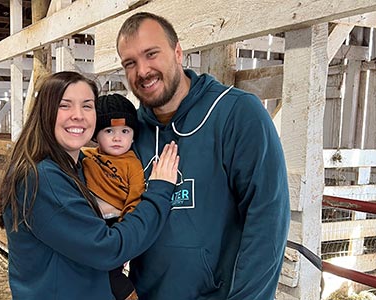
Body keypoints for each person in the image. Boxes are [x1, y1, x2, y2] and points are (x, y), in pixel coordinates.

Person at [116, 12, 291, 300]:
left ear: (177, 52)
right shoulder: (130, 134)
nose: (143, 71)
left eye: (151, 54)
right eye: (130, 63)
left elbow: (267, 221)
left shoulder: (237, 113)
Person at [0, 71, 179, 299]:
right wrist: (159, 190)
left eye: (87, 106)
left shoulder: (80, 167)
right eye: (65, 105)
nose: (78, 116)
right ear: (45, 112)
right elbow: (108, 248)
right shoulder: (42, 178)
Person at [82, 93, 144, 300]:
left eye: (125, 131)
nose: (118, 138)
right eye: (109, 131)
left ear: (133, 136)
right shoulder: (86, 157)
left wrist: (124, 232)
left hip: (116, 226)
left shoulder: (132, 164)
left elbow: (135, 198)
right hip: (90, 223)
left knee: (111, 273)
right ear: (96, 136)